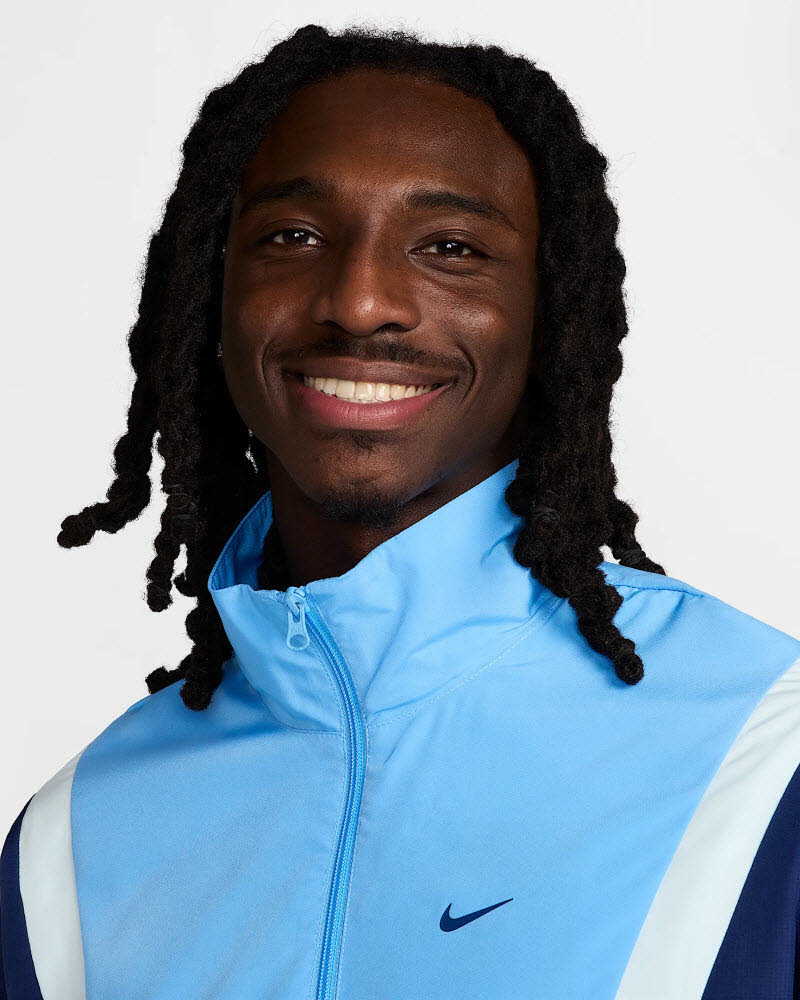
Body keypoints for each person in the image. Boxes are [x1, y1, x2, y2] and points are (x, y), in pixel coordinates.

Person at [1, 22, 797, 1000]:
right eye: (293, 237)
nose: (359, 299)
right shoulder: (74, 843)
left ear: (550, 315)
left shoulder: (764, 754)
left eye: (450, 247)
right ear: (210, 294)